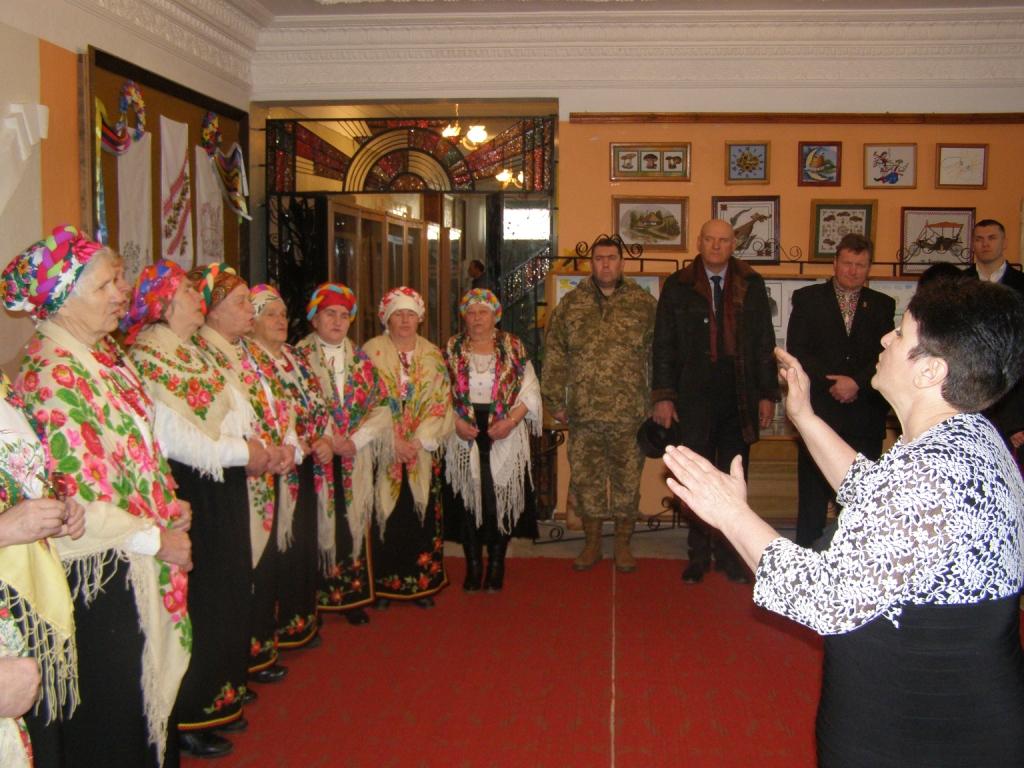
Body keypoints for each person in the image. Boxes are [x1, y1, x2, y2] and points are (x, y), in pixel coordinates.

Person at [664, 278, 1024, 768]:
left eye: (901, 333)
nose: (885, 339)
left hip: (922, 733)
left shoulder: (934, 474)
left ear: (931, 370)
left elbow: (827, 598)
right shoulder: (968, 437)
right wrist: (804, 416)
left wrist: (730, 513)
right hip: (946, 717)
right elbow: (872, 492)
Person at [3, 225, 193, 767]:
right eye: (106, 284)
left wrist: (167, 502)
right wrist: (156, 538)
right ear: (63, 299)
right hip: (102, 574)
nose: (121, 292)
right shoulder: (52, 374)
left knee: (140, 714)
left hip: (130, 554)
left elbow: (137, 449)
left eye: (119, 280)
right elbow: (78, 499)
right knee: (116, 717)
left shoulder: (102, 357)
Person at [123, 260, 260, 758]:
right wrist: (244, 453)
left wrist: (247, 449)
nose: (196, 296)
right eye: (184, 290)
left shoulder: (193, 352)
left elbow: (232, 412)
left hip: (221, 482)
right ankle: (192, 713)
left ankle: (221, 694)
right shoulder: (148, 357)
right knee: (200, 599)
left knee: (225, 590)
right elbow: (174, 436)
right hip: (191, 488)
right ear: (161, 303)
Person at [652, 218, 778, 584]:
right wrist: (664, 396)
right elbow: (663, 344)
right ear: (699, 241)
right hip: (693, 394)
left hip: (739, 393)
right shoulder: (678, 285)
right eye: (710, 239)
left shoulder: (751, 283)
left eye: (723, 240)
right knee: (695, 475)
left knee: (734, 473)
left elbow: (764, 342)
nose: (716, 246)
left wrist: (767, 394)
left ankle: (730, 554)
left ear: (734, 244)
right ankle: (697, 553)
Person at [189, 264, 296, 686]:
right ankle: (234, 669)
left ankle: (255, 656)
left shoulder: (247, 352)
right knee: (235, 574)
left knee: (260, 568)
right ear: (213, 309)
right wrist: (259, 451)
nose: (250, 311)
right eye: (240, 303)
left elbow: (279, 403)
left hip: (263, 468)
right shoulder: (203, 353)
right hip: (230, 476)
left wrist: (287, 444)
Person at [541, 236, 656, 574]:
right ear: (591, 263)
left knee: (627, 481)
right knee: (587, 479)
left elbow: (659, 354)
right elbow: (555, 353)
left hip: (630, 412)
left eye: (612, 258)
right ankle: (592, 543)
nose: (606, 264)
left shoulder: (643, 304)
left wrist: (658, 399)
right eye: (600, 258)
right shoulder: (572, 304)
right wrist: (554, 400)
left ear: (622, 262)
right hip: (584, 411)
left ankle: (622, 543)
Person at [786, 234, 894, 547]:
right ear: (834, 263)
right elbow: (798, 351)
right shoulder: (807, 299)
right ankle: (807, 553)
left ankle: (854, 555)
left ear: (869, 267)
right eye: (847, 263)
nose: (853, 270)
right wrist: (832, 383)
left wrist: (856, 382)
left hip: (864, 413)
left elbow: (886, 355)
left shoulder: (883, 305)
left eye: (861, 265)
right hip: (820, 411)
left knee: (859, 496)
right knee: (813, 494)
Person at [0, 371, 85, 768]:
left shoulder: (3, 386)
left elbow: (24, 478)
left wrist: (57, 508)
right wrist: (5, 528)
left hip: (23, 597)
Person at [297, 283, 389, 626]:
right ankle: (313, 600)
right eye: (329, 314)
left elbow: (382, 405)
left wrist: (357, 439)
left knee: (351, 523)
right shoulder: (297, 358)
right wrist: (324, 437)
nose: (337, 322)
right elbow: (290, 406)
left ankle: (352, 597)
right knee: (314, 524)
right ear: (314, 318)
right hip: (314, 456)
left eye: (343, 315)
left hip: (352, 455)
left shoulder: (361, 360)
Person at [443, 289, 540, 592]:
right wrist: (455, 422)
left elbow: (530, 390)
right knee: (468, 502)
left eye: (483, 312)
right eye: (471, 313)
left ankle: (496, 565)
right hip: (464, 429)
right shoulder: (452, 348)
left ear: (496, 316)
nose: (477, 318)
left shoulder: (512, 346)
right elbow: (438, 391)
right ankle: (473, 566)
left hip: (503, 428)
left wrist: (511, 421)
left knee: (498, 501)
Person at [248, 284, 328, 651]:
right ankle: (268, 634)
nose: (280, 321)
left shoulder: (295, 357)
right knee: (272, 551)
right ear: (252, 320)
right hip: (272, 469)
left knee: (300, 545)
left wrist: (322, 438)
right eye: (270, 315)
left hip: (304, 464)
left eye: (282, 314)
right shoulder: (247, 359)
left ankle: (300, 623)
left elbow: (317, 402)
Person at [362, 287, 452, 608]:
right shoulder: (370, 352)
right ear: (386, 318)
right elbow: (364, 399)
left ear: (419, 319)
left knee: (419, 514)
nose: (404, 320)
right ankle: (385, 586)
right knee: (384, 516)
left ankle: (420, 584)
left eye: (410, 314)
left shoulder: (432, 355)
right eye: (398, 314)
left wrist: (418, 441)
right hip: (383, 448)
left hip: (420, 449)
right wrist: (392, 441)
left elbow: (441, 401)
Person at [963, 218, 1024, 460]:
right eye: (979, 239)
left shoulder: (1021, 285)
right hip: (969, 391)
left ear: (1004, 242)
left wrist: (1018, 419)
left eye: (991, 238)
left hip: (1013, 393)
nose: (985, 244)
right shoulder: (959, 285)